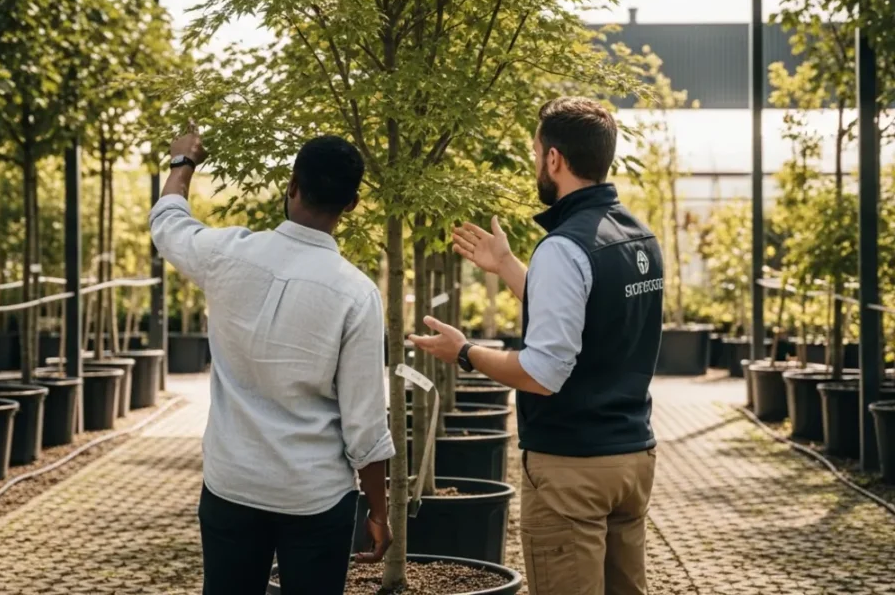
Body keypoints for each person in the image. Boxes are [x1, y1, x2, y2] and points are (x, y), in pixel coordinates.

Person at [410, 96, 664, 595]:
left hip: (574, 468)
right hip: (632, 460)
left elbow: (542, 373)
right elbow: (582, 314)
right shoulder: (638, 236)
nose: (535, 165)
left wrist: (464, 353)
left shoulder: (564, 246)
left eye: (535, 153)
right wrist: (506, 265)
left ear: (554, 159)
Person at [150, 128, 395, 595]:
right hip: (316, 498)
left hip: (232, 485)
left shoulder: (226, 254)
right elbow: (364, 423)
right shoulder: (356, 294)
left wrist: (182, 161)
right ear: (352, 204)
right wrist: (378, 511)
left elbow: (168, 224)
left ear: (292, 186)